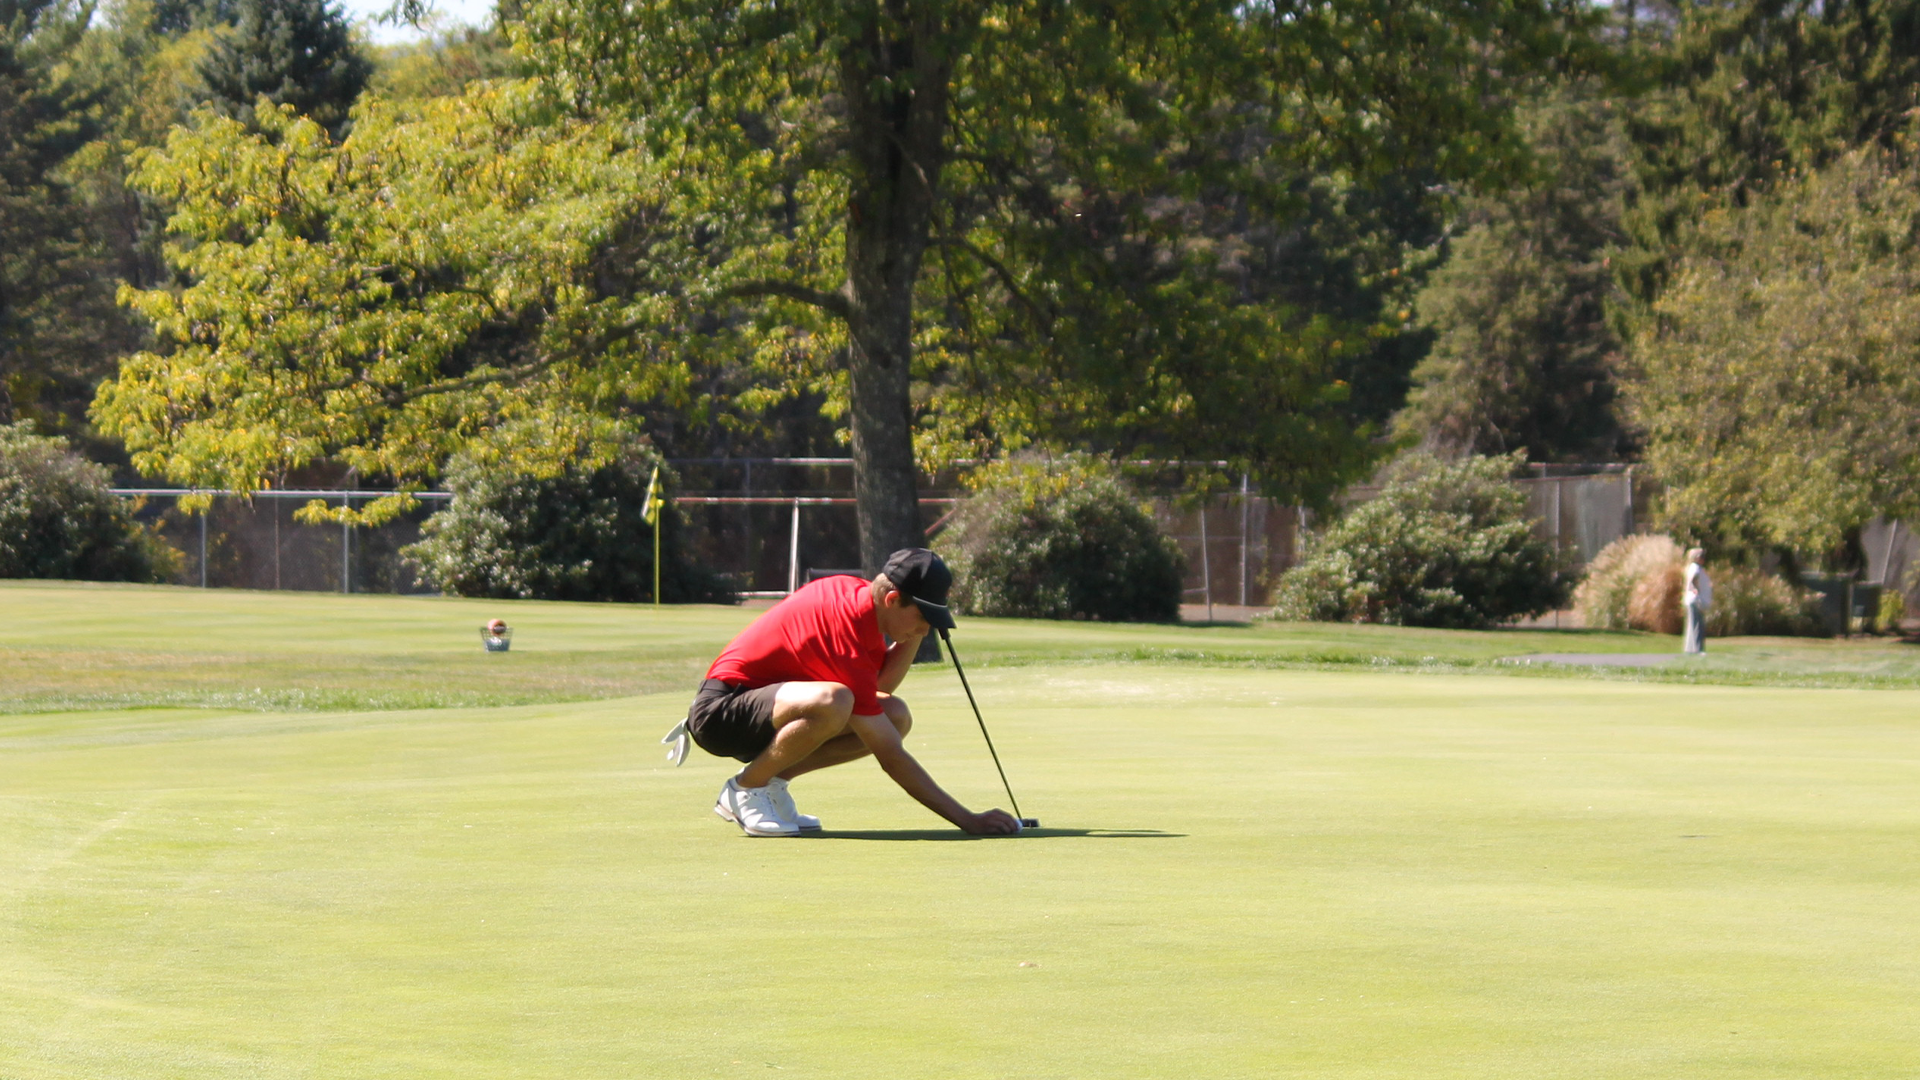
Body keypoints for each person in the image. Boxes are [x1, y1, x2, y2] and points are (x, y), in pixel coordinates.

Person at [675, 548, 1021, 838]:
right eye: (922, 616)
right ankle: (745, 789)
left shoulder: (862, 604)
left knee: (893, 714)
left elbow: (877, 691)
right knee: (835, 701)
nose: (927, 627)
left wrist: (913, 632)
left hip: (769, 711)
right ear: (892, 599)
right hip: (721, 712)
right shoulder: (846, 632)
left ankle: (771, 783)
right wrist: (967, 820)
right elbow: (889, 754)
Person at [1683, 547, 1712, 655]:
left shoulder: (1695, 568)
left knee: (1694, 624)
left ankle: (1690, 649)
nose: (1703, 559)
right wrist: (1695, 589)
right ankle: (1698, 649)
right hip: (1696, 600)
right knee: (1698, 625)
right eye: (1701, 557)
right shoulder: (1695, 568)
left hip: (1694, 600)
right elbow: (1693, 579)